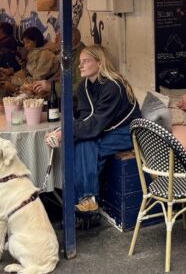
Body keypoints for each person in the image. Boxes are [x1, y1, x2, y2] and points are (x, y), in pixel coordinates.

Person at [44, 45, 139, 213]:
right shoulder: (84, 87)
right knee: (82, 142)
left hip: (125, 130)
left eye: (86, 61)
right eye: (80, 62)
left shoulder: (113, 86)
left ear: (100, 62)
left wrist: (64, 133)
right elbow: (84, 119)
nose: (80, 66)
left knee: (88, 146)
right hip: (104, 128)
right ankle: (86, 200)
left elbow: (95, 124)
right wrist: (61, 131)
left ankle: (85, 199)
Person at [14, 27, 58, 95]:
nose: (25, 46)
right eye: (24, 43)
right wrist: (23, 66)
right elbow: (29, 75)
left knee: (8, 85)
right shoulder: (33, 53)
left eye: (28, 42)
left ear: (36, 41)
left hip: (43, 91)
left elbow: (37, 80)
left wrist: (13, 80)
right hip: (34, 86)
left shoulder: (45, 55)